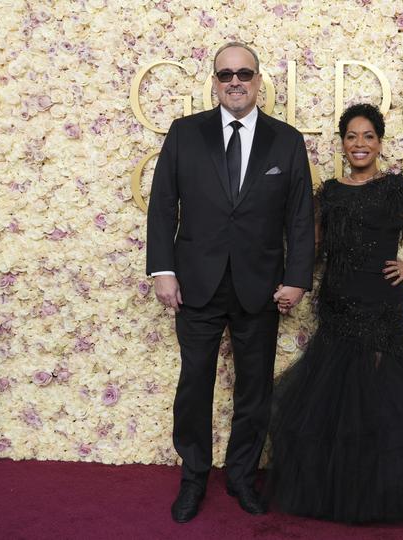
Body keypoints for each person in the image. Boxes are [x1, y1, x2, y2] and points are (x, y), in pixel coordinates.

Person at [266, 103, 403, 523]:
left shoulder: (395, 190)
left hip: (381, 303)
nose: (360, 144)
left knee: (379, 394)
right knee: (336, 397)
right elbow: (313, 249)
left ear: (380, 143)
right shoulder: (328, 194)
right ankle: (343, 487)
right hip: (336, 301)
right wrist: (288, 282)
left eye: (368, 136)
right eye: (352, 136)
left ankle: (380, 490)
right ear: (342, 144)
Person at [146, 42, 315, 523]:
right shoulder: (185, 134)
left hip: (260, 287)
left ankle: (242, 477)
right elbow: (163, 206)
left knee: (254, 389)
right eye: (225, 74)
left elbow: (299, 217)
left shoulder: (286, 140)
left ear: (259, 80)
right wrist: (163, 270)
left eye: (244, 73)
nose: (235, 81)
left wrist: (297, 278)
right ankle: (194, 477)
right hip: (195, 284)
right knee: (193, 385)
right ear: (215, 82)